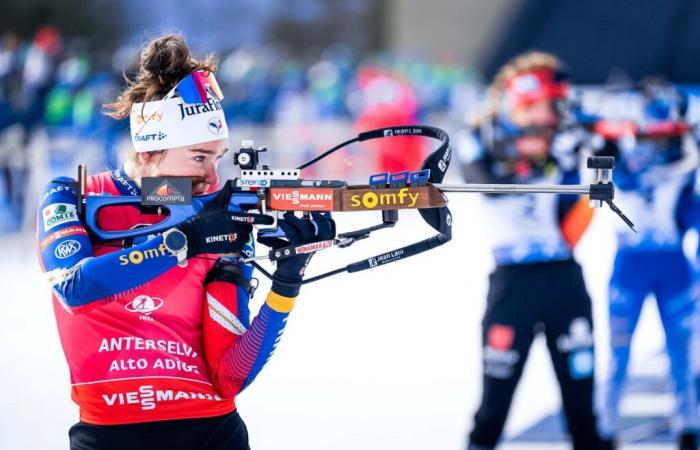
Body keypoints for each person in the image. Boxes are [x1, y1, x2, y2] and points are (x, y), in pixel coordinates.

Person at [35, 34, 335, 450]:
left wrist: (286, 283)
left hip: (211, 432)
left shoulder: (218, 218)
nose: (213, 178)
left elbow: (229, 375)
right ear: (150, 150)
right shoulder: (75, 196)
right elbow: (76, 288)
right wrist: (186, 241)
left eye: (218, 157)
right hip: (108, 436)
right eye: (199, 157)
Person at [458, 52, 600, 450]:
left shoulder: (566, 139)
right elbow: (484, 181)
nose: (548, 116)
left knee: (582, 404)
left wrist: (578, 151)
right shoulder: (480, 136)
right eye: (537, 106)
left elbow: (574, 217)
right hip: (512, 283)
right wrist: (532, 157)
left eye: (551, 107)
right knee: (493, 405)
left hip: (563, 277)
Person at [592, 80, 700, 450]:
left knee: (682, 354)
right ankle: (605, 430)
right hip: (631, 266)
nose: (654, 145)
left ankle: (688, 427)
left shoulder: (685, 159)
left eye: (662, 134)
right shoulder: (618, 155)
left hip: (673, 266)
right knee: (619, 354)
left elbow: (692, 215)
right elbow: (596, 186)